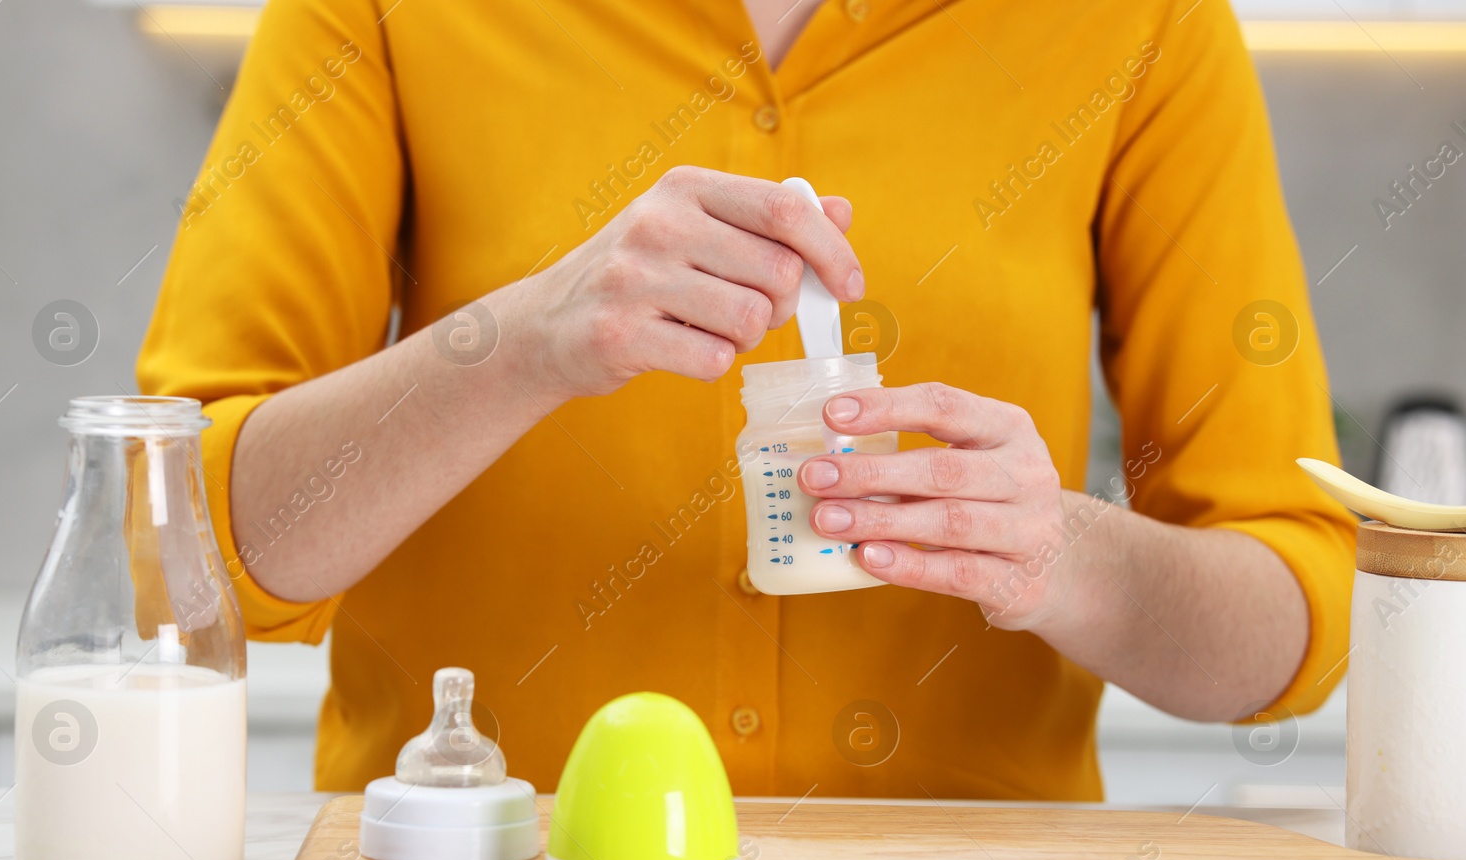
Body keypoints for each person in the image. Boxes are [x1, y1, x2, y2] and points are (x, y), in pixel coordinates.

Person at [137, 0, 1355, 799]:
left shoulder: (1135, 24)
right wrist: (521, 341)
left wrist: (1063, 553)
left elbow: (1290, 622)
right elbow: (174, 555)